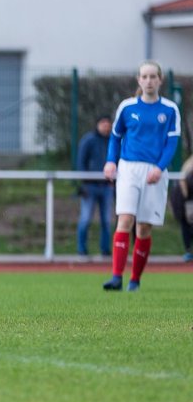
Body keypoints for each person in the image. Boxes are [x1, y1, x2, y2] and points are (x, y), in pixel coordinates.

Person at [101, 60, 182, 291]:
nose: (148, 81)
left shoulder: (169, 109)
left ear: (160, 80)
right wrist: (110, 161)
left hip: (155, 171)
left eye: (152, 77)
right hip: (129, 168)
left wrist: (160, 167)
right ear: (138, 80)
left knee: (144, 228)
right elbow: (115, 137)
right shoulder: (127, 107)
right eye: (144, 77)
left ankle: (135, 279)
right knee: (125, 219)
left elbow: (171, 143)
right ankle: (116, 277)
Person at [75, 114, 114, 256]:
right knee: (85, 219)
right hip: (90, 186)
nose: (106, 126)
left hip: (107, 186)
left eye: (108, 123)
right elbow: (81, 161)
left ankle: (105, 250)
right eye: (103, 123)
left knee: (106, 221)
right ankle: (82, 249)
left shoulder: (113, 141)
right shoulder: (89, 140)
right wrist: (84, 183)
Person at [167, 153, 193, 262]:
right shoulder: (190, 165)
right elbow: (183, 183)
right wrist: (188, 200)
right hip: (184, 198)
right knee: (187, 224)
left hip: (188, 197)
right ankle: (188, 251)